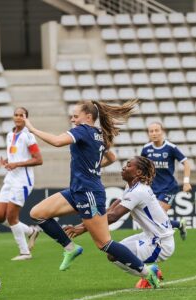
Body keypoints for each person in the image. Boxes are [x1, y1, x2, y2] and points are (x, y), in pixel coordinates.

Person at [24, 99, 160, 289]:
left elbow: (56, 142)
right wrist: (92, 168)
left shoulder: (84, 130)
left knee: (104, 243)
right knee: (37, 213)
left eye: (75, 116)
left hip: (88, 193)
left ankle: (147, 272)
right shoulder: (99, 134)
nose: (72, 119)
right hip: (77, 190)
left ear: (88, 117)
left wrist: (31, 128)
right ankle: (70, 248)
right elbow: (111, 157)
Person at [64, 156, 175, 288]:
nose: (124, 167)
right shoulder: (132, 187)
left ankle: (148, 273)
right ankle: (149, 271)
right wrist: (82, 225)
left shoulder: (138, 191)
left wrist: (83, 228)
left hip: (160, 244)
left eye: (128, 165)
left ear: (138, 172)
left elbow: (113, 217)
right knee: (113, 253)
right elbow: (112, 209)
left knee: (115, 254)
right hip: (151, 237)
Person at [0, 107, 43, 260]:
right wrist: (6, 161)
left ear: (26, 118)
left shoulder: (28, 136)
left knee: (11, 216)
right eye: (15, 115)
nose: (18, 117)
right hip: (10, 178)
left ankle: (25, 252)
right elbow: (15, 156)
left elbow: (38, 159)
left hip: (23, 180)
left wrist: (17, 164)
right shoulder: (10, 134)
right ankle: (31, 232)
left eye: (21, 115)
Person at [141, 122, 192, 240]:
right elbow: (141, 167)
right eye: (151, 131)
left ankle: (160, 241)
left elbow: (186, 163)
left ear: (162, 131)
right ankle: (179, 224)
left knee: (157, 215)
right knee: (154, 217)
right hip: (152, 188)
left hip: (168, 187)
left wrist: (186, 181)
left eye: (156, 130)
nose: (154, 133)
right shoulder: (146, 149)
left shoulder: (171, 148)